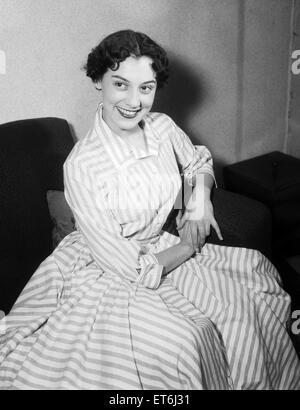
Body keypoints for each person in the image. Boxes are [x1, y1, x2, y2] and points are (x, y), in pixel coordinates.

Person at [0, 29, 299, 390]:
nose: (134, 100)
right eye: (120, 84)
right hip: (108, 267)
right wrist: (188, 245)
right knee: (186, 342)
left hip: (161, 246)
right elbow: (133, 267)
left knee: (245, 308)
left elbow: (197, 165)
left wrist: (198, 204)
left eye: (146, 87)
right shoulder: (82, 165)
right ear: (98, 81)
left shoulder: (162, 128)